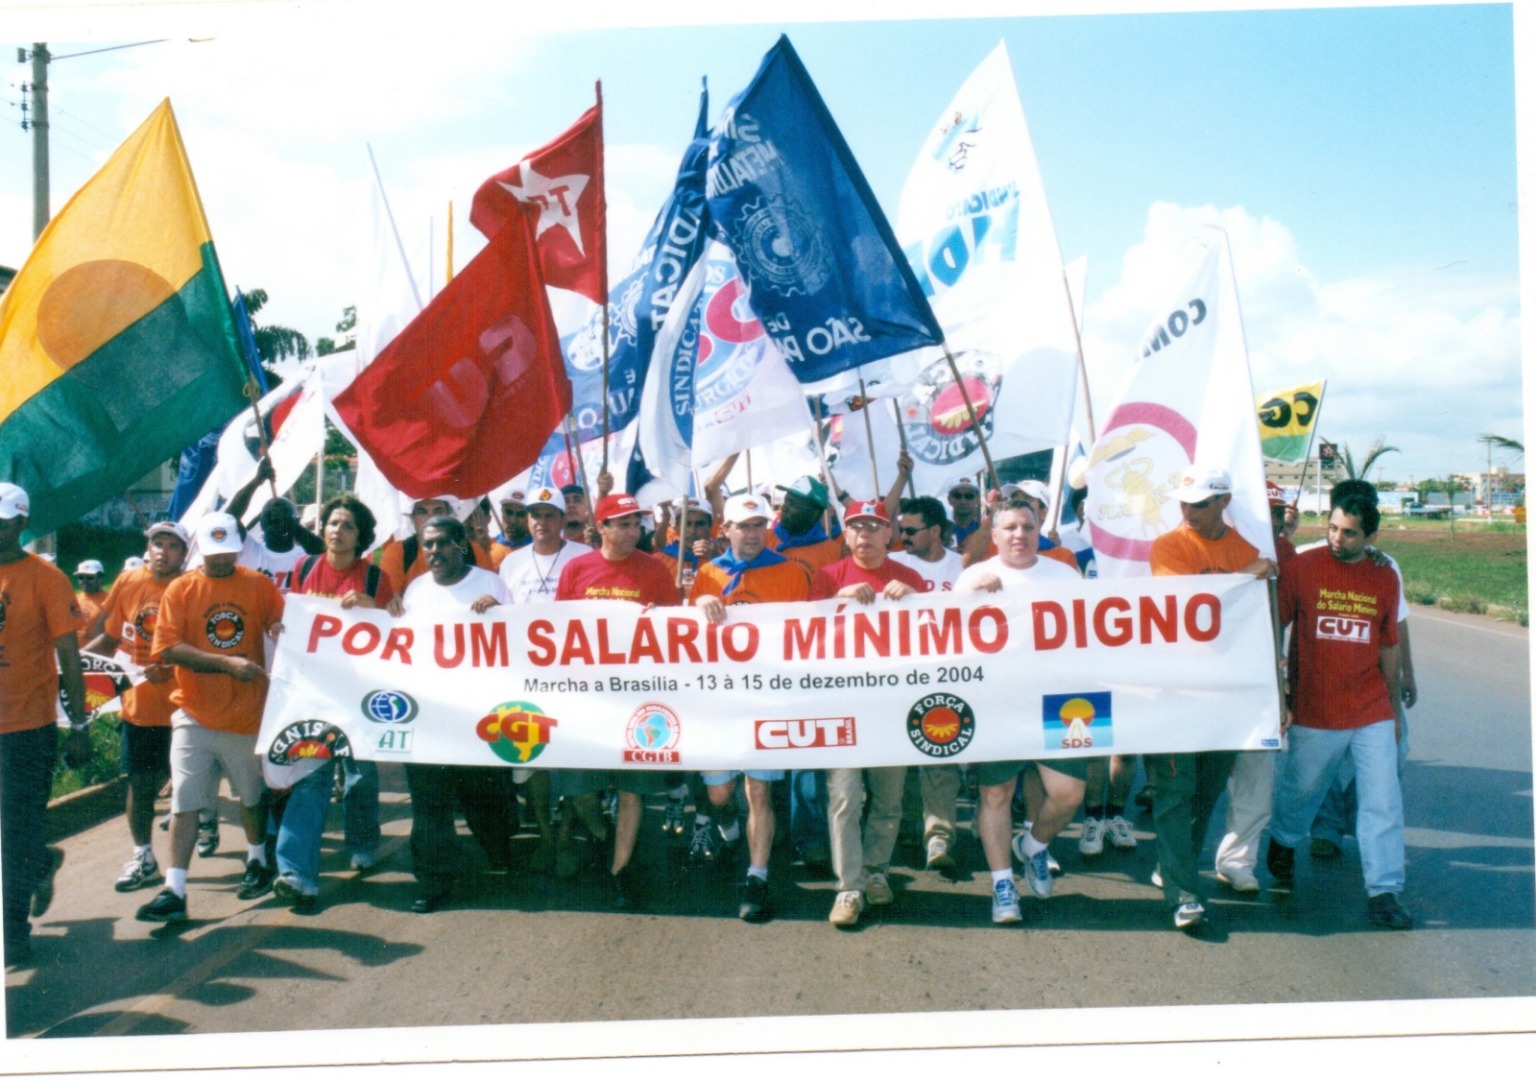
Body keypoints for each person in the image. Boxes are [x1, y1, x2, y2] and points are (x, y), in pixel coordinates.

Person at [1267, 488, 1412, 930]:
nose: (1337, 539)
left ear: (1371, 535)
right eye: (1332, 528)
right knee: (1302, 787)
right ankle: (1284, 841)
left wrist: (1394, 707)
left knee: (1382, 799)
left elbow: (1389, 645)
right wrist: (1279, 685)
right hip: (1316, 707)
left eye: (1349, 534)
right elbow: (1276, 626)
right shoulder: (1303, 567)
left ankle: (1384, 890)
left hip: (1371, 708)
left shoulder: (1385, 576)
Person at [137, 511, 286, 923]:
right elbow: (168, 649)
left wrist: (278, 630)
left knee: (250, 797)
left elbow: (285, 625)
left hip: (245, 714)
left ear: (239, 547)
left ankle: (257, 860)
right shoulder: (182, 590)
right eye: (212, 552)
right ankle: (175, 889)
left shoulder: (259, 586)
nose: (220, 560)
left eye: (228, 552)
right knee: (185, 802)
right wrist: (226, 663)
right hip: (194, 713)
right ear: (199, 547)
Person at [1147, 464, 1275, 931]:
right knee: (1175, 794)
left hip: (1227, 697)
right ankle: (1183, 893)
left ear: (1223, 501)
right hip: (1177, 691)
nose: (1189, 511)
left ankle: (1171, 864)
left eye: (1200, 503)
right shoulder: (1170, 546)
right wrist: (1245, 575)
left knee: (1205, 793)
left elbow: (1257, 628)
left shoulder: (1245, 548)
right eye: (1184, 502)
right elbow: (1187, 606)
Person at [955, 503, 1086, 923]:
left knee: (1068, 794)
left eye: (1028, 526)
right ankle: (1002, 884)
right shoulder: (972, 576)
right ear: (994, 535)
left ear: (1039, 532)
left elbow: (1092, 632)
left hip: (1060, 698)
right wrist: (970, 594)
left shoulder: (1063, 574)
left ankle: (1032, 846)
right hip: (998, 699)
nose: (1019, 534)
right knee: (995, 793)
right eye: (1009, 527)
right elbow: (946, 637)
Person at [268, 495, 395, 912]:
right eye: (332, 523)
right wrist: (278, 626)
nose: (337, 530)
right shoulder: (303, 569)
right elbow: (283, 617)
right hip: (313, 693)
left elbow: (397, 634)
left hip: (359, 693)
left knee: (359, 775)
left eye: (347, 525)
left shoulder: (375, 578)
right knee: (312, 776)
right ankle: (295, 872)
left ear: (361, 537)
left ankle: (362, 843)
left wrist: (371, 609)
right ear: (322, 529)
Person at [556, 492, 683, 908]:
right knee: (578, 787)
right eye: (624, 524)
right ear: (603, 528)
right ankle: (599, 832)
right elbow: (558, 630)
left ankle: (620, 869)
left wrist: (657, 622)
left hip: (638, 698)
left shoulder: (655, 570)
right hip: (589, 698)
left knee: (632, 788)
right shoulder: (576, 569)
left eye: (637, 524)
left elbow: (677, 633)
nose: (633, 531)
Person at [691, 493, 813, 921]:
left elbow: (808, 636)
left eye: (759, 524)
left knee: (759, 790)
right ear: (725, 530)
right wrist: (696, 605)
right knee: (720, 793)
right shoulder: (706, 573)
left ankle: (757, 876)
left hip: (765, 700)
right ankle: (725, 825)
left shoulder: (791, 573)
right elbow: (683, 641)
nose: (752, 533)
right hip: (720, 702)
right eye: (743, 525)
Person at [809, 500, 927, 927]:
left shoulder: (909, 577)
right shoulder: (827, 578)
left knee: (889, 799)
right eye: (856, 527)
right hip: (842, 705)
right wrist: (833, 603)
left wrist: (914, 598)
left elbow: (936, 634)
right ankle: (849, 887)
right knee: (843, 798)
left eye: (874, 527)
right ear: (846, 534)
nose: (865, 535)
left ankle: (877, 870)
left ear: (888, 532)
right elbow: (802, 638)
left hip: (893, 707)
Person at [397, 514, 517, 913]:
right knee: (429, 805)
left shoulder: (489, 583)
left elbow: (519, 639)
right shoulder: (415, 590)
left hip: (479, 715)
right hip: (429, 718)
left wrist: (500, 612)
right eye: (427, 544)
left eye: (442, 543)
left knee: (483, 797)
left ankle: (500, 851)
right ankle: (434, 881)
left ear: (460, 545)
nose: (434, 551)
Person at [1, 483, 88, 967]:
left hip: (26, 727)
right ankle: (41, 859)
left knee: (13, 832)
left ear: (20, 522)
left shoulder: (47, 579)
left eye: (1, 521)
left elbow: (70, 660)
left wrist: (78, 725)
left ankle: (13, 932)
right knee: (18, 835)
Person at [82, 521, 190, 895]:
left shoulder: (190, 587)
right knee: (140, 785)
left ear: (184, 553)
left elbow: (205, 648)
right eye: (157, 543)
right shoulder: (128, 582)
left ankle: (181, 873)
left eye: (172, 545)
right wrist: (73, 664)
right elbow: (112, 636)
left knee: (189, 794)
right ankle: (143, 856)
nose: (163, 551)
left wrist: (174, 667)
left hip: (184, 708)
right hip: (139, 705)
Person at [498, 485, 598, 875]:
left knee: (570, 759)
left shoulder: (584, 555)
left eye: (549, 515)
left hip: (573, 675)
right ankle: (544, 834)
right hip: (526, 677)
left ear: (562, 521)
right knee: (533, 761)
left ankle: (567, 836)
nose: (541, 522)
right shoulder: (510, 563)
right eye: (535, 515)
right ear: (527, 521)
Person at [1209, 479, 1297, 892]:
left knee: (1256, 779)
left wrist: (1283, 691)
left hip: (1260, 680)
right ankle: (1173, 860)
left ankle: (1237, 861)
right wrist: (1243, 574)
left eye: (1279, 514)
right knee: (1199, 782)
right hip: (1207, 682)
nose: (1274, 522)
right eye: (1266, 513)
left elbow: (1293, 620)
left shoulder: (1289, 555)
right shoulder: (1211, 544)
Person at [889, 495, 967, 872]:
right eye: (900, 529)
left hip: (948, 675)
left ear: (935, 532)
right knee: (902, 755)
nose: (901, 536)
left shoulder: (962, 566)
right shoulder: (894, 566)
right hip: (902, 674)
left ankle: (939, 836)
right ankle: (906, 825)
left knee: (941, 754)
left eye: (910, 530)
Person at [224, 455, 324, 587]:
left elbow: (324, 550)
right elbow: (230, 518)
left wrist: (292, 526)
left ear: (296, 521)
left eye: (282, 515)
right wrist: (256, 481)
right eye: (269, 516)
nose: (275, 519)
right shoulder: (249, 551)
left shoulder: (305, 557)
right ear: (261, 522)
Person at [374, 495, 493, 598]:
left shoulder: (472, 551)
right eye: (422, 512)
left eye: (438, 511)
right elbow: (387, 602)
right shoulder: (398, 552)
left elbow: (493, 593)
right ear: (412, 518)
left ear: (449, 516)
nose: (431, 518)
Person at [489, 489, 531, 567]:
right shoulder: (489, 547)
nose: (513, 520)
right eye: (509, 512)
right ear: (501, 511)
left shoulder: (538, 548)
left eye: (520, 514)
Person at [73, 559, 109, 644]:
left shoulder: (109, 600)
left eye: (90, 578)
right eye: (81, 577)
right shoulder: (75, 599)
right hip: (74, 652)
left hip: (96, 654)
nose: (84, 581)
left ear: (100, 578)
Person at [946, 477, 983, 553]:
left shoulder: (984, 530)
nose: (963, 501)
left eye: (969, 496)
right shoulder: (941, 531)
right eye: (957, 496)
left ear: (978, 500)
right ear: (949, 499)